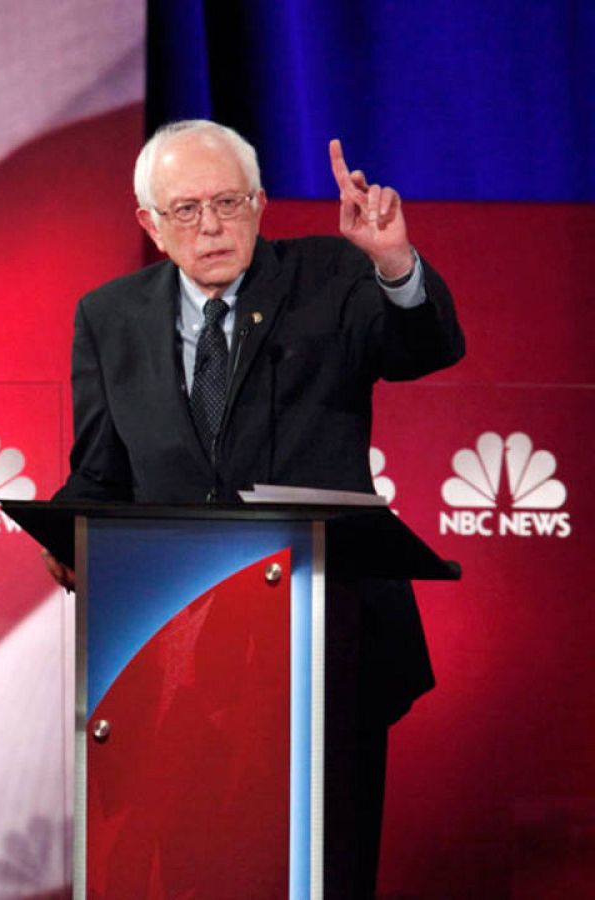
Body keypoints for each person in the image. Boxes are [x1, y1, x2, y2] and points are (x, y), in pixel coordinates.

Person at [49, 120, 464, 896]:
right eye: (185, 210)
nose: (210, 226)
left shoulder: (332, 276)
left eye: (228, 202)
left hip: (323, 640)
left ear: (261, 203)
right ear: (150, 225)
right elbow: (99, 471)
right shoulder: (109, 317)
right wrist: (69, 532)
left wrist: (395, 264)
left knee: (318, 868)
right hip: (169, 650)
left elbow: (425, 348)